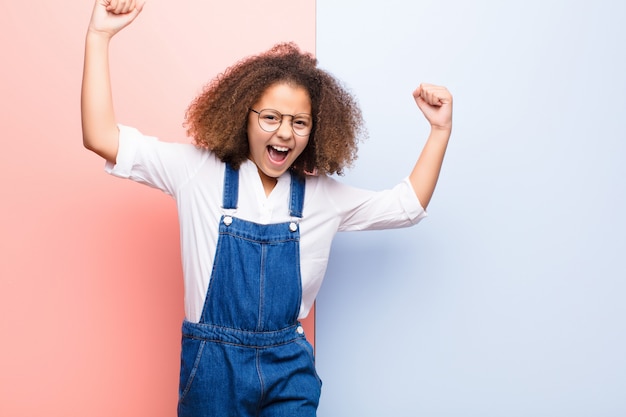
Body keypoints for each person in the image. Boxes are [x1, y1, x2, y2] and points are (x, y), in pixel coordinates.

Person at [81, 1, 453, 416]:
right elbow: (101, 136)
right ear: (244, 116)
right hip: (213, 366)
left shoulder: (321, 196)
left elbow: (407, 205)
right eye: (271, 117)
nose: (284, 133)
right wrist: (99, 37)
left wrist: (440, 130)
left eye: (299, 122)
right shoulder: (195, 171)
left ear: (315, 130)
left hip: (288, 366)